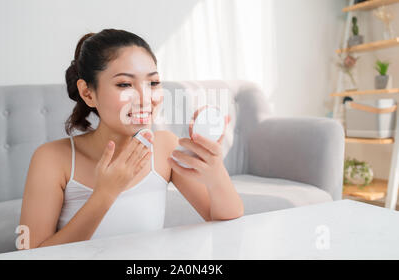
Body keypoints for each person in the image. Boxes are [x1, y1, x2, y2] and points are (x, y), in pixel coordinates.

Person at [19, 29, 244, 249]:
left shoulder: (164, 147)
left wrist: (215, 173)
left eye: (153, 83)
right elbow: (28, 255)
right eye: (124, 84)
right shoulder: (52, 159)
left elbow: (227, 221)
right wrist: (105, 194)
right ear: (88, 93)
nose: (145, 98)